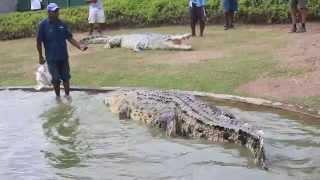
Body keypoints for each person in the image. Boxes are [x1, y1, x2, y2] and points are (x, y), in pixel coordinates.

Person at [36, 3, 88, 98]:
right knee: (55, 79)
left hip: (63, 57)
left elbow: (69, 38)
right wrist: (40, 56)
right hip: (51, 58)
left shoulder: (62, 24)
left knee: (66, 77)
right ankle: (58, 98)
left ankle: (67, 96)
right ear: (48, 12)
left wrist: (79, 47)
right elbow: (39, 42)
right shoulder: (43, 25)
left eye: (57, 10)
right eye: (54, 11)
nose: (57, 13)